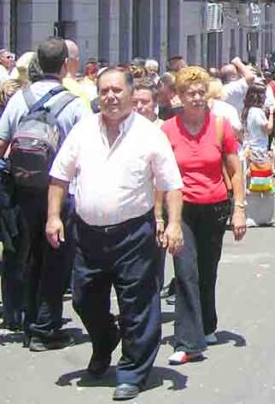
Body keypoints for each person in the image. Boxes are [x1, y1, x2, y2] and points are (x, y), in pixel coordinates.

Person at [46, 68, 184, 402]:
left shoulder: (150, 135)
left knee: (137, 305)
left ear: (130, 94)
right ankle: (105, 338)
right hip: (88, 233)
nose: (110, 97)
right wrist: (53, 217)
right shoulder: (83, 130)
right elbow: (59, 176)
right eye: (104, 90)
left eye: (116, 91)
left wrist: (175, 224)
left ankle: (132, 372)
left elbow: (171, 184)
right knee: (84, 298)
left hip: (134, 233)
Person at [0, 38, 91, 350]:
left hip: (23, 189)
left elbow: (0, 142)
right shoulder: (74, 103)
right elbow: (87, 148)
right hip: (61, 191)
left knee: (28, 255)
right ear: (64, 66)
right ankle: (47, 325)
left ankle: (29, 321)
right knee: (57, 258)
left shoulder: (20, 97)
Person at [159, 67, 246, 366]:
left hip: (215, 206)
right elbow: (159, 176)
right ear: (179, 97)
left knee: (207, 271)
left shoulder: (221, 126)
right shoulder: (167, 130)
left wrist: (239, 209)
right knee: (185, 272)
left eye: (200, 93)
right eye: (190, 93)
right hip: (181, 210)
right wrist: (160, 218)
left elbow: (235, 170)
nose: (196, 98)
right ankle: (188, 342)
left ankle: (207, 325)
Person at [240, 81, 275, 226]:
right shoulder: (258, 112)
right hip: (259, 151)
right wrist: (272, 113)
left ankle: (251, 216)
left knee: (250, 186)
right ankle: (262, 217)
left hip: (249, 150)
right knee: (264, 186)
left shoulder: (247, 111)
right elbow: (268, 128)